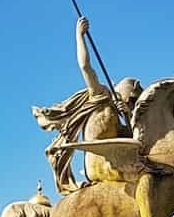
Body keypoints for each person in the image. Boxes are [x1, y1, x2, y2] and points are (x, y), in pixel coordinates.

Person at [31, 17, 140, 193]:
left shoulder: (120, 118)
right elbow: (85, 66)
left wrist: (128, 117)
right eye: (131, 100)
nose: (130, 104)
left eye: (132, 103)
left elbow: (132, 142)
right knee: (144, 176)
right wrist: (79, 35)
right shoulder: (99, 95)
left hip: (113, 159)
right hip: (99, 162)